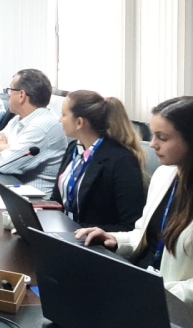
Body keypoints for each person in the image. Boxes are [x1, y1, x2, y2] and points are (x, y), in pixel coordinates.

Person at [77, 96, 193, 306]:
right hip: (140, 284)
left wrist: (157, 293)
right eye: (153, 135)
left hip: (172, 305)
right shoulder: (163, 175)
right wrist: (114, 239)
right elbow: (144, 235)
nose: (153, 144)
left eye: (163, 138)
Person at [49, 90, 146, 232]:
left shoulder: (121, 161)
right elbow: (57, 199)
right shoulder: (74, 148)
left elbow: (129, 226)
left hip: (93, 243)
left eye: (63, 114)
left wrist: (74, 230)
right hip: (65, 234)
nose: (60, 119)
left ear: (79, 122)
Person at [0, 69, 67, 195]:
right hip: (13, 191)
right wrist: (7, 148)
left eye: (10, 90)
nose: (8, 94)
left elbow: (3, 165)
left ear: (21, 95)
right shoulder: (17, 119)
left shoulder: (42, 126)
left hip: (36, 204)